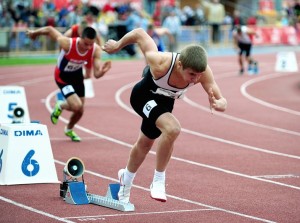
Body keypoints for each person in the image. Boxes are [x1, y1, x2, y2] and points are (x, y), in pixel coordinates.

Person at [102, 28, 227, 203]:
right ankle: (158, 181)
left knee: (145, 144)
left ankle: (126, 181)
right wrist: (117, 46)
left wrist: (218, 103)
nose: (196, 79)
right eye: (192, 74)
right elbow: (140, 34)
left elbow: (221, 100)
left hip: (164, 103)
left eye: (199, 75)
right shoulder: (160, 61)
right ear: (180, 65)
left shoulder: (202, 72)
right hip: (142, 96)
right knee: (172, 128)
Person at [26, 26, 111, 142]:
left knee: (80, 111)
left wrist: (103, 71)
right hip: (63, 77)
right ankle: (60, 105)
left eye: (91, 44)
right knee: (76, 106)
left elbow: (96, 74)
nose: (88, 47)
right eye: (86, 44)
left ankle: (69, 129)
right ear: (80, 38)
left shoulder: (95, 50)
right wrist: (34, 33)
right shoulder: (68, 44)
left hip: (77, 77)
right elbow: (50, 30)